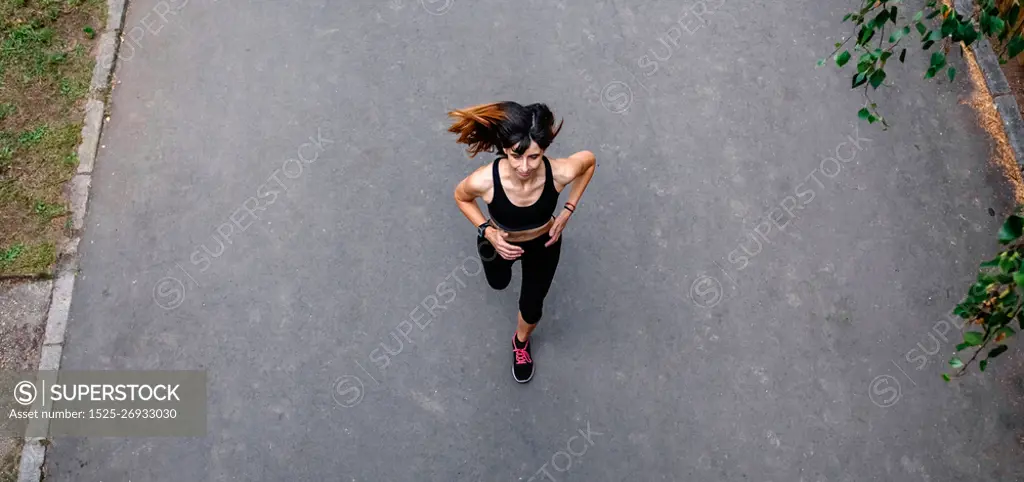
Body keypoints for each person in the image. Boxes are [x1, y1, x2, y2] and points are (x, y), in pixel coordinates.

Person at [449, 101, 596, 383]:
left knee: (532, 305)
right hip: (498, 244)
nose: (524, 166)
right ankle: (496, 252)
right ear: (505, 149)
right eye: (516, 157)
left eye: (534, 157)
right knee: (498, 283)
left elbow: (588, 162)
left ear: (544, 151)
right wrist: (488, 231)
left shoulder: (560, 172)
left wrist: (568, 209)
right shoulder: (485, 180)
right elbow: (461, 197)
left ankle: (520, 343)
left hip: (544, 245)